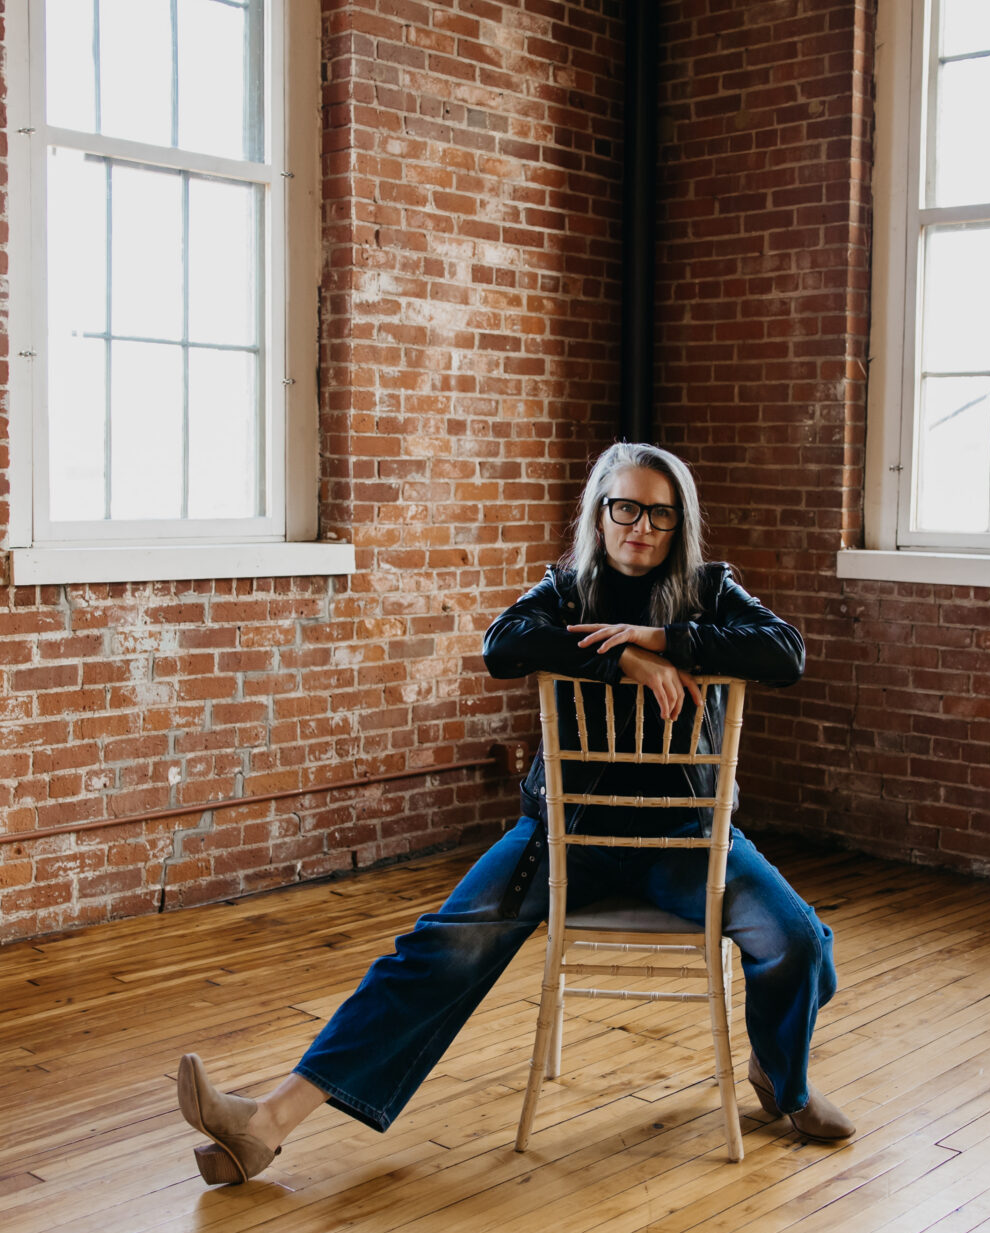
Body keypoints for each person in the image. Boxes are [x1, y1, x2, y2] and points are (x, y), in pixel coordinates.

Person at [172, 441, 851, 1185]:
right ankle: (263, 1124)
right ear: (599, 514)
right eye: (626, 508)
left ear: (678, 523)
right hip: (563, 836)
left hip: (687, 835)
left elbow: (785, 652)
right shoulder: (565, 591)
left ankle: (781, 1079)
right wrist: (619, 658)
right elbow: (503, 644)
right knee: (442, 946)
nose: (641, 527)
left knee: (796, 941)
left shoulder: (710, 591)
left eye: (660, 514)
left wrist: (662, 638)